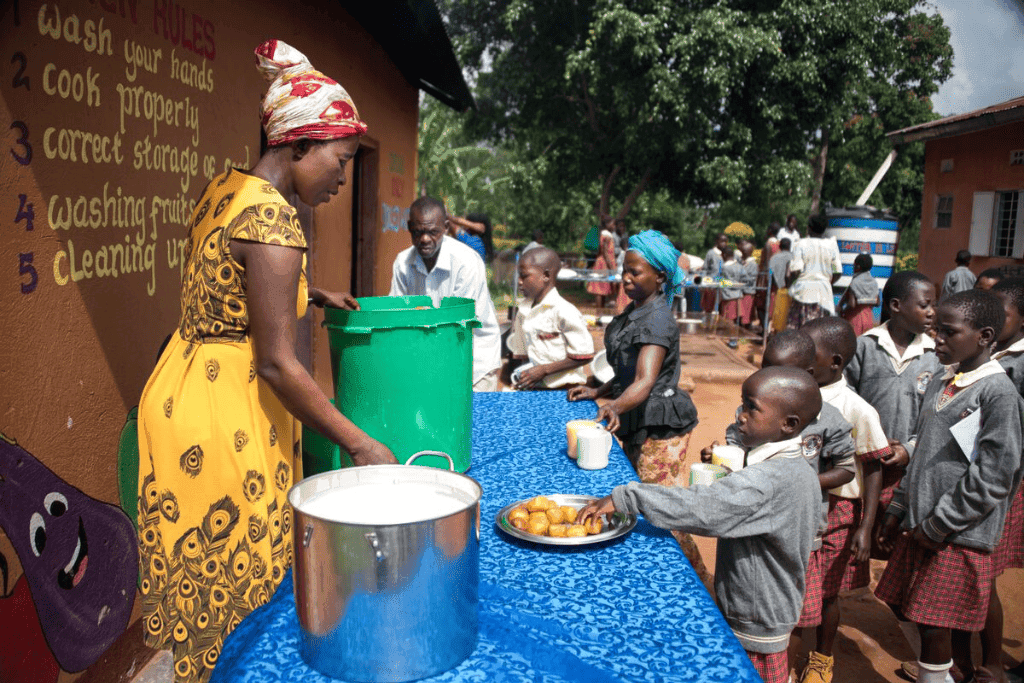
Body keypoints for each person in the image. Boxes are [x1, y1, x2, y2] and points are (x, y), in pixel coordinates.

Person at [135, 39, 399, 683]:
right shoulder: (276, 226)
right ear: (298, 146)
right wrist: (360, 444)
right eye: (339, 160)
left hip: (179, 394)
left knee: (196, 584)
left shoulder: (225, 191)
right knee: (243, 597)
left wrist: (310, 294)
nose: (342, 176)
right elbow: (279, 365)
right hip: (230, 417)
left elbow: (233, 290)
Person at [578, 366, 824, 683]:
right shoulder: (798, 467)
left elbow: (704, 510)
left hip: (753, 620)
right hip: (773, 606)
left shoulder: (765, 482)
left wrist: (630, 497)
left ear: (788, 424)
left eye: (753, 408)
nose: (741, 415)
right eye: (743, 403)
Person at [875, 289, 1023, 683]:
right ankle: (945, 674)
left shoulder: (998, 394)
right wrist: (897, 509)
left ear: (986, 336)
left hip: (957, 532)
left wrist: (940, 524)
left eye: (949, 332)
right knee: (925, 620)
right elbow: (924, 453)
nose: (937, 339)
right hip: (924, 523)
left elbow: (993, 476)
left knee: (934, 623)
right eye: (936, 330)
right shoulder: (945, 381)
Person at [567, 230, 705, 585]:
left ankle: (698, 581)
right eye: (624, 270)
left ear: (660, 275)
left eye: (635, 273)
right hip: (637, 415)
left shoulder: (657, 320)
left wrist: (613, 403)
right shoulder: (636, 311)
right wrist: (600, 389)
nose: (625, 278)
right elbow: (626, 371)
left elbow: (644, 380)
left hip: (659, 427)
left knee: (661, 508)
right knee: (637, 498)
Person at [796, 316, 891, 683]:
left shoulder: (858, 410)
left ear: (835, 362)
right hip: (800, 507)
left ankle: (821, 657)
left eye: (811, 353)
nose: (802, 358)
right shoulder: (796, 392)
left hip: (838, 511)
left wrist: (865, 527)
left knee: (827, 594)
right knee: (795, 582)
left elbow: (873, 468)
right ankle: (785, 653)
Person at [949, 278, 1024, 683]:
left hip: (1002, 485)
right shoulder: (978, 359)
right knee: (971, 580)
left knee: (984, 578)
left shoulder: (1013, 368)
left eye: (1000, 312)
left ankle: (991, 663)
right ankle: (961, 662)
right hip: (973, 480)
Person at [390, 195, 502, 391]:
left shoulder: (466, 262)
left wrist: (422, 315)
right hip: (427, 359)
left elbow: (458, 324)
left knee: (472, 420)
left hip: (474, 362)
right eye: (418, 232)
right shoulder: (402, 262)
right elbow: (397, 312)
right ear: (409, 227)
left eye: (433, 232)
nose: (424, 239)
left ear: (446, 227)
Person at [507, 247, 594, 390]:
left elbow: (585, 355)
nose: (520, 282)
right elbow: (522, 355)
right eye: (519, 276)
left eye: (524, 276)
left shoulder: (563, 310)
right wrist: (522, 379)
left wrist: (543, 370)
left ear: (546, 275)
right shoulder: (523, 311)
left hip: (565, 389)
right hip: (536, 388)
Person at [787, 214, 842, 330]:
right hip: (824, 295)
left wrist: (791, 284)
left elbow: (795, 270)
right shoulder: (831, 245)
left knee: (798, 331)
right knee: (819, 331)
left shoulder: (800, 244)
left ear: (809, 228)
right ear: (824, 230)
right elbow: (838, 272)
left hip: (803, 293)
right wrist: (827, 282)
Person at [838, 253, 880, 335]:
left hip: (854, 319)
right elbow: (878, 302)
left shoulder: (855, 282)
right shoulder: (874, 282)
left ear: (858, 267)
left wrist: (842, 312)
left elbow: (852, 304)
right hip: (869, 319)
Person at [587, 215, 617, 310]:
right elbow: (605, 252)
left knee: (604, 289)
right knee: (600, 289)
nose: (614, 226)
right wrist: (611, 267)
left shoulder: (605, 234)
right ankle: (599, 314)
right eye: (613, 224)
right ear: (607, 224)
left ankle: (601, 313)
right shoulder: (606, 235)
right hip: (604, 265)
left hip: (603, 263)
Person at [701, 233, 729, 324]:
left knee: (720, 307)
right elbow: (705, 268)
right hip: (711, 284)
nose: (724, 243)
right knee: (709, 306)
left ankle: (718, 327)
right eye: (722, 241)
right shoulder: (711, 253)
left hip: (723, 284)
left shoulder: (726, 253)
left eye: (726, 241)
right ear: (717, 241)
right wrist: (705, 282)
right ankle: (707, 325)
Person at [769, 238, 794, 333]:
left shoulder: (773, 258)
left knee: (778, 318)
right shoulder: (794, 257)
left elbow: (770, 275)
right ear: (790, 246)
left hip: (777, 291)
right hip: (793, 292)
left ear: (779, 246)